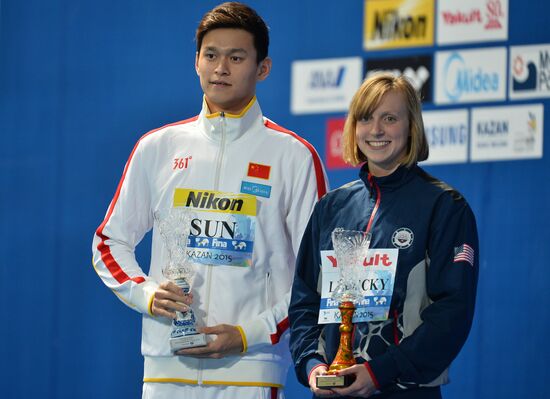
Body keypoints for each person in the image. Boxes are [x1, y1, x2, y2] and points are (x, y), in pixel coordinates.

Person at [92, 3, 328, 399]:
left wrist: (248, 334)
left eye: (236, 57)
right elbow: (108, 243)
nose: (221, 68)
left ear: (263, 68)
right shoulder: (158, 147)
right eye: (211, 55)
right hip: (166, 371)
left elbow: (318, 272)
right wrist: (148, 294)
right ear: (197, 62)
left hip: (252, 369)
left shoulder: (293, 156)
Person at [288, 73, 479, 398]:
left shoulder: (445, 206)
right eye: (366, 118)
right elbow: (305, 302)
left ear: (411, 127)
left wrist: (379, 373)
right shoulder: (330, 208)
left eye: (389, 118)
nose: (376, 130)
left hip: (404, 390)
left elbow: (451, 314)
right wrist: (313, 367)